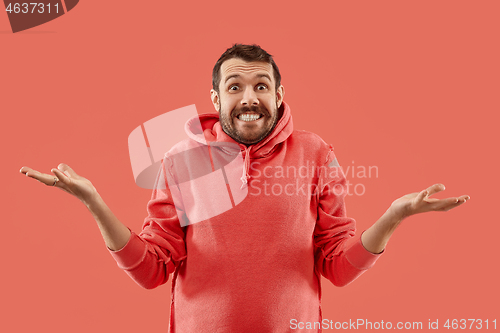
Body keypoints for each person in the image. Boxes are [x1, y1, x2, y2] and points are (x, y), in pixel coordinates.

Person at [20, 44, 470, 333]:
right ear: (216, 99)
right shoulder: (182, 159)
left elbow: (336, 266)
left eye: (261, 85)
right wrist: (93, 202)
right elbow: (153, 270)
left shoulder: (315, 153)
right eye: (234, 86)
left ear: (279, 95)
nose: (249, 97)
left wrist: (394, 216)